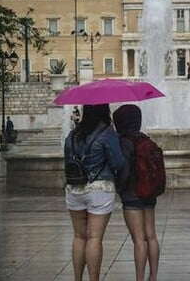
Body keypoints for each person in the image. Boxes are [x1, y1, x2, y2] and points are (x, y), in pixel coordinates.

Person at [64, 104, 128, 281]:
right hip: (100, 189)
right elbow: (118, 163)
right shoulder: (107, 133)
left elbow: (67, 162)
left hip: (74, 189)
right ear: (104, 111)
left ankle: (77, 279)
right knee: (94, 237)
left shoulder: (73, 134)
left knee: (79, 236)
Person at [112, 105, 160, 281]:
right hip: (149, 193)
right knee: (151, 235)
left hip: (132, 194)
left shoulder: (124, 142)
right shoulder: (146, 140)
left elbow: (123, 170)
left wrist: (120, 187)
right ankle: (153, 276)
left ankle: (140, 278)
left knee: (139, 239)